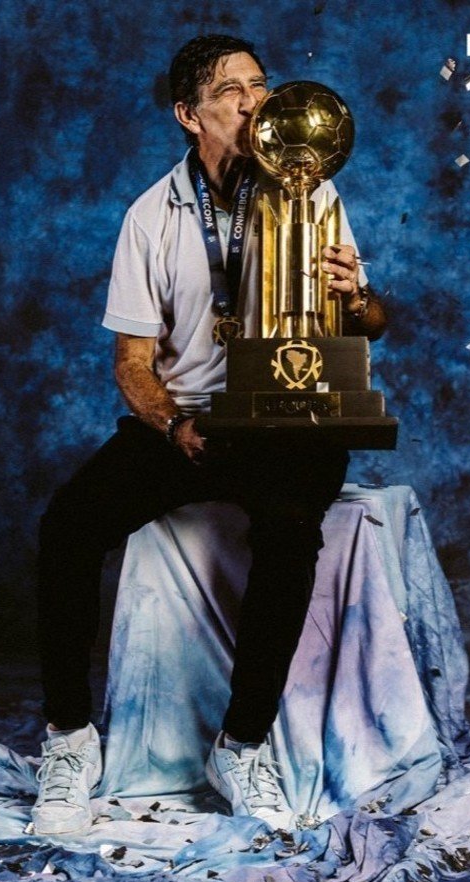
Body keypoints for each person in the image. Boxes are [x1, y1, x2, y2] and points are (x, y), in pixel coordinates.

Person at [32, 34, 386, 838]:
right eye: (233, 91)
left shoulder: (315, 192)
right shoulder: (150, 216)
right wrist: (174, 424)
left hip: (288, 423)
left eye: (260, 85)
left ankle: (245, 741)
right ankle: (68, 738)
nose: (256, 101)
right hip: (188, 418)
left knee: (293, 530)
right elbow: (130, 362)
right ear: (190, 115)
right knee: (67, 527)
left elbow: (369, 323)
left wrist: (356, 295)